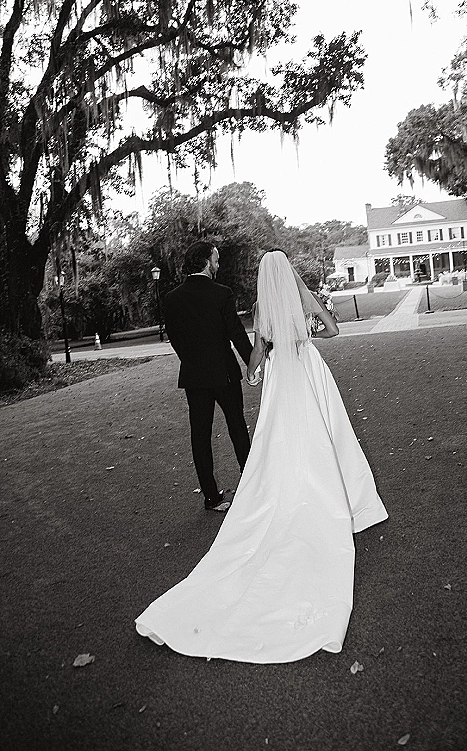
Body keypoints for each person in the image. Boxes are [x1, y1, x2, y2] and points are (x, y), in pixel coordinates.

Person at [136, 250, 388, 663]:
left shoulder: (256, 306)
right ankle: (341, 499)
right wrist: (303, 337)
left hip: (253, 379)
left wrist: (254, 370)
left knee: (269, 437)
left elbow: (256, 348)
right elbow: (333, 331)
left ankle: (244, 493)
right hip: (306, 369)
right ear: (287, 273)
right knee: (321, 434)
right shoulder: (299, 298)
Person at [162, 240, 253, 512]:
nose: (218, 264)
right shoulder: (221, 293)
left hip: (194, 377)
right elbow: (236, 334)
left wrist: (192, 362)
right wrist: (253, 364)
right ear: (205, 261)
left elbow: (175, 340)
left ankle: (211, 497)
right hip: (224, 374)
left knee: (199, 436)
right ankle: (252, 485)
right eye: (215, 259)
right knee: (237, 427)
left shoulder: (171, 298)